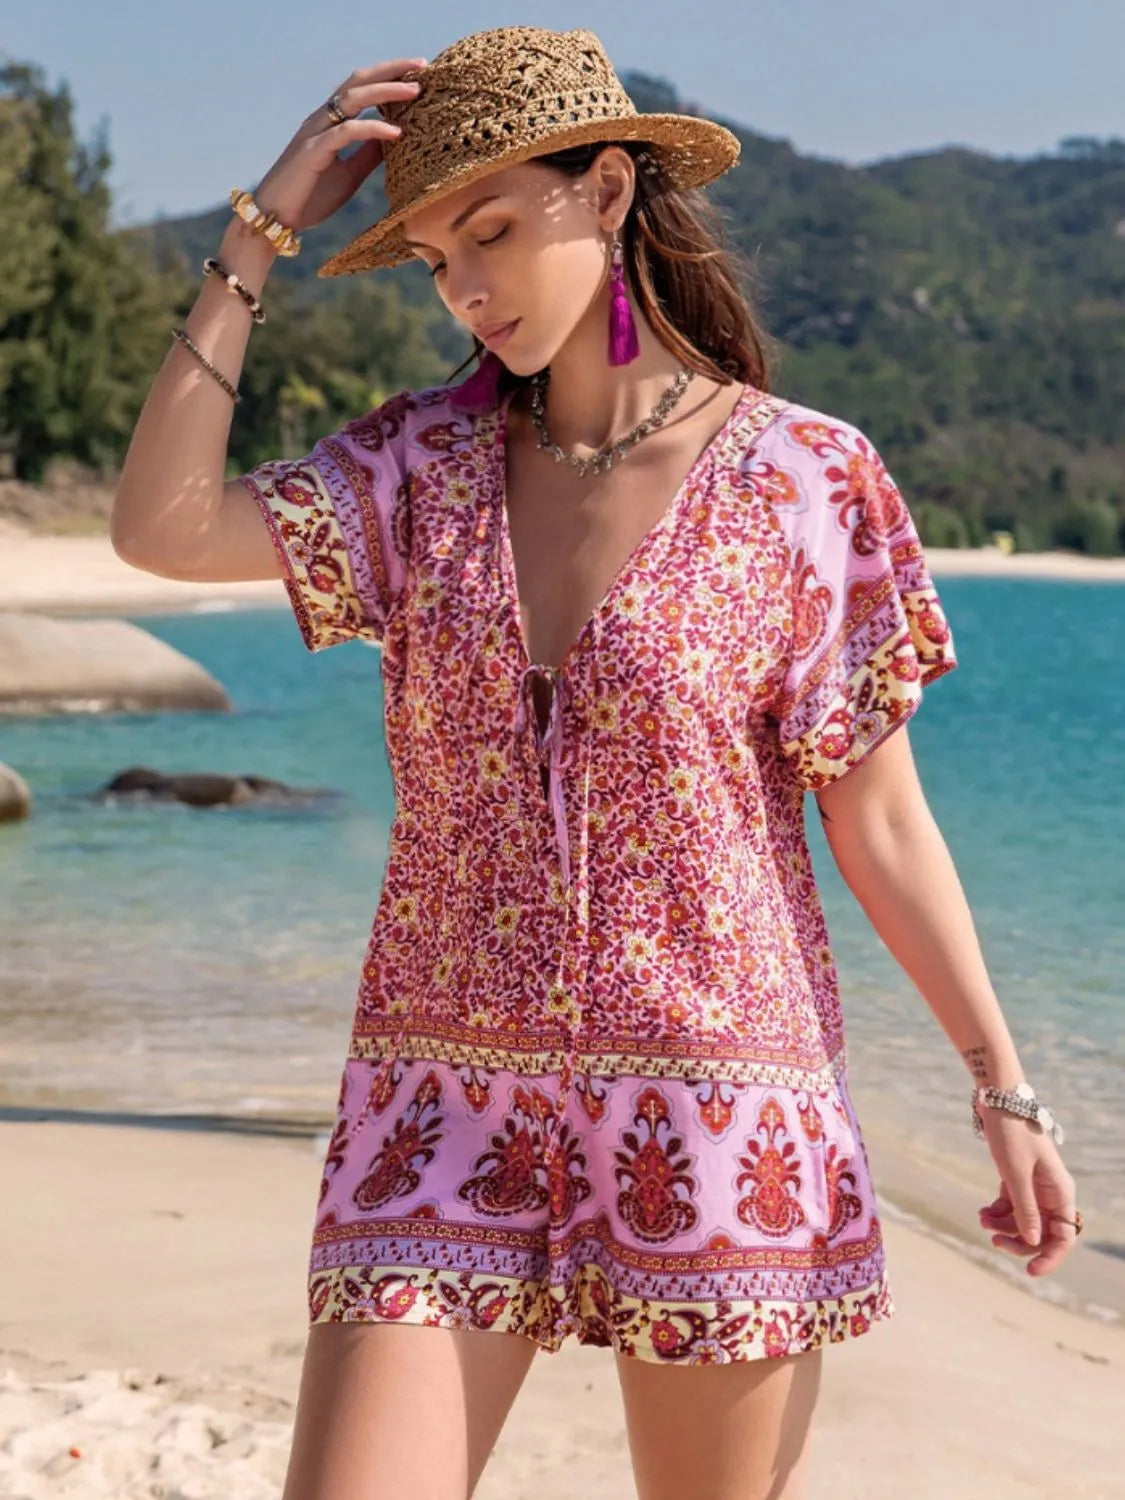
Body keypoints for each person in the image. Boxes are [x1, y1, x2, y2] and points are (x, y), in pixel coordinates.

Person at [111, 24, 1082, 1500]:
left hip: (723, 1110)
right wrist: (254, 236)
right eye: (435, 257)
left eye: (494, 230)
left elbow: (880, 823)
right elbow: (162, 528)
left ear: (612, 190)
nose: (466, 286)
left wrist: (1001, 1089)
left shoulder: (808, 479)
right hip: (440, 1105)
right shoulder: (413, 473)